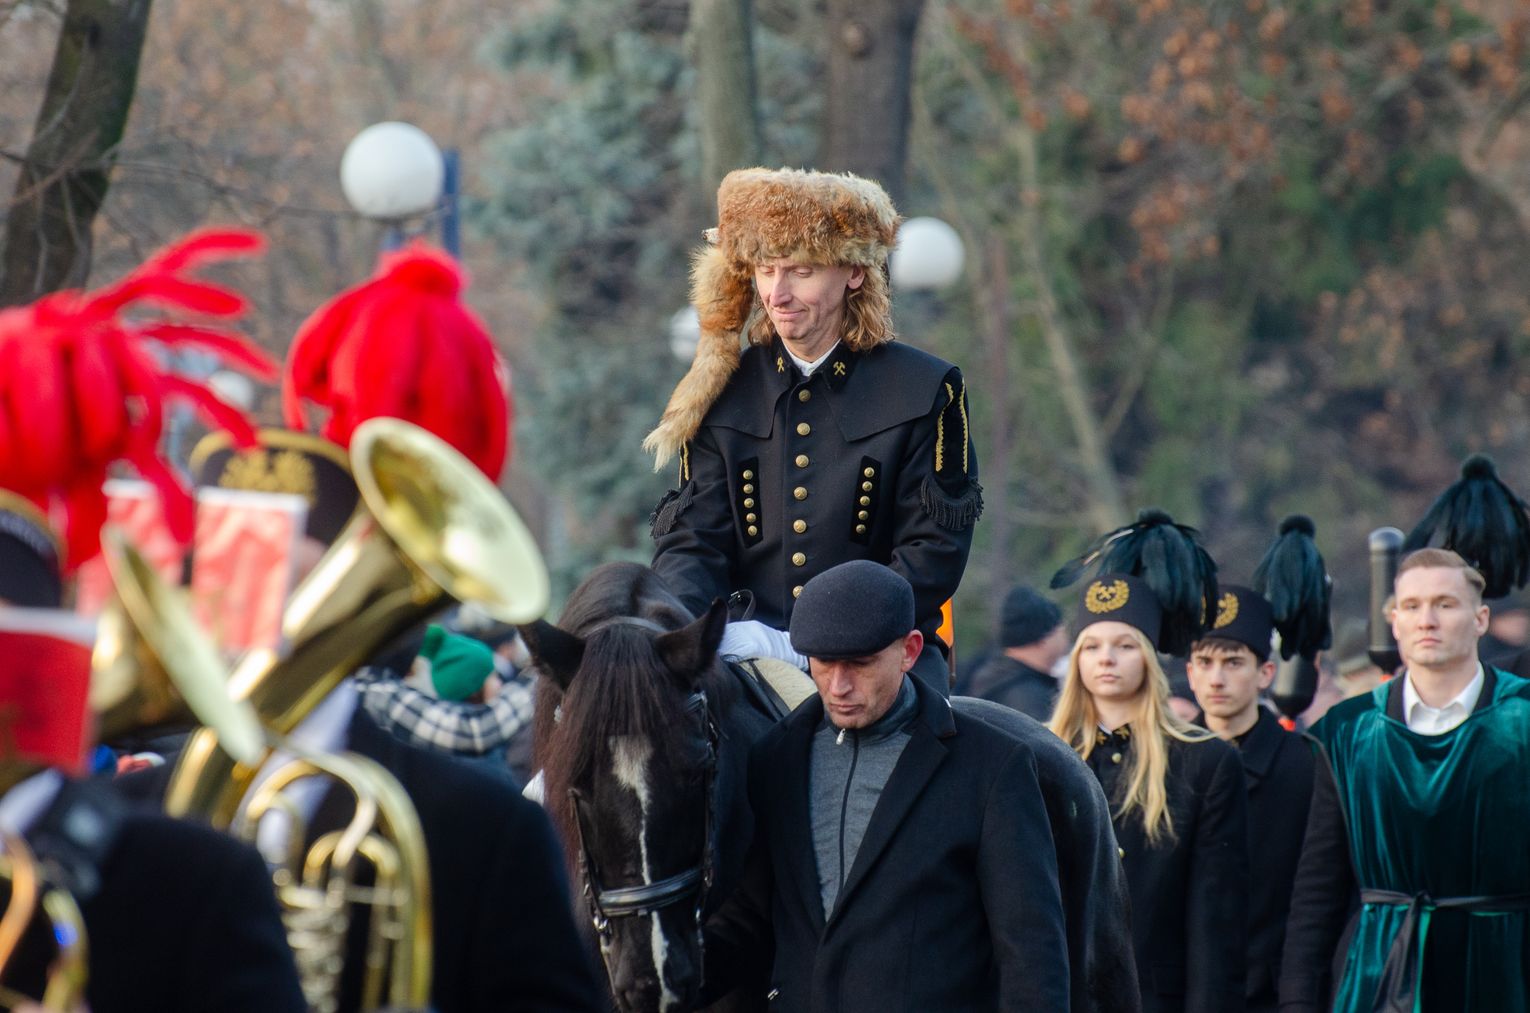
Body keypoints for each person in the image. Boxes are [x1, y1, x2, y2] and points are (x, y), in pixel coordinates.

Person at [645, 167, 982, 693]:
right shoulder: (721, 392)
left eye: (800, 271)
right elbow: (693, 545)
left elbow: (932, 554)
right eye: (765, 270)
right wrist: (690, 638)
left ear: (854, 272)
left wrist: (816, 644)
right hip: (747, 658)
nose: (777, 293)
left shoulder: (925, 389)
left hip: (884, 662)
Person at [703, 561, 1070, 1011]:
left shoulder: (994, 767)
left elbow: (1031, 954)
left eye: (860, 664)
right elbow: (750, 921)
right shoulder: (774, 760)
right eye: (823, 663)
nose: (838, 686)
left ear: (909, 650)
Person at [1280, 549, 1530, 1011]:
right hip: (1379, 978)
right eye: (1412, 606)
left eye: (1445, 604)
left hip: (1503, 971)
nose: (1427, 620)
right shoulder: (1349, 732)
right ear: (1394, 622)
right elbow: (1319, 889)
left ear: (1480, 619)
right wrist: (1297, 1002)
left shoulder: (1522, 720)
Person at [1050, 574, 1248, 1013]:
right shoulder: (1038, 756)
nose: (1107, 658)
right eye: (1092, 646)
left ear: (1149, 657)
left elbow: (1214, 918)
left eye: (1125, 645)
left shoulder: (1205, 761)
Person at [1186, 585, 1314, 1013]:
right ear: (1189, 673)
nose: (1216, 679)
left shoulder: (1305, 766)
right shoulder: (1164, 763)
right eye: (1205, 663)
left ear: (1265, 673)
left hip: (1273, 988)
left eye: (1233, 662)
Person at [965, 584, 1068, 719]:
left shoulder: (993, 678)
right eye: (1061, 629)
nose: (1065, 636)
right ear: (1045, 637)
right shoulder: (1029, 698)